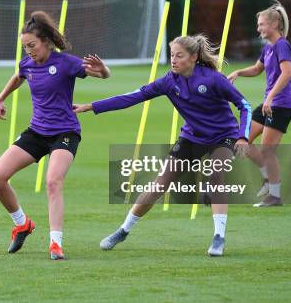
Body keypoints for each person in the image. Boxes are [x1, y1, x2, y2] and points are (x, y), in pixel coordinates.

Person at [74, 34, 251, 256]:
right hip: (192, 137)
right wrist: (92, 106)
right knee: (159, 184)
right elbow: (133, 97)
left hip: (223, 136)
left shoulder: (214, 79)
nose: (174, 60)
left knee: (216, 175)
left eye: (179, 56)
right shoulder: (169, 81)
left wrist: (243, 137)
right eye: (172, 55)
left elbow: (244, 105)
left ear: (194, 57)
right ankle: (123, 230)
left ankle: (218, 238)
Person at [0, 11, 111, 260]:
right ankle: (22, 224)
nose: (29, 51)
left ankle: (55, 243)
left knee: (53, 181)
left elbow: (103, 75)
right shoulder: (28, 64)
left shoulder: (66, 63)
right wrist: (1, 98)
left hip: (65, 133)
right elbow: (19, 76)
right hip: (36, 132)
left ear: (46, 40)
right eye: (25, 47)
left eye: (32, 45)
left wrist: (103, 69)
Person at [227, 0, 291, 207]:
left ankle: (275, 196)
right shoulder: (267, 49)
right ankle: (268, 178)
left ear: (274, 24)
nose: (258, 29)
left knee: (267, 150)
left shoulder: (282, 45)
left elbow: (287, 74)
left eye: (261, 24)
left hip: (281, 104)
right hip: (269, 104)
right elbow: (257, 70)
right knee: (243, 141)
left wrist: (269, 98)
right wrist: (238, 72)